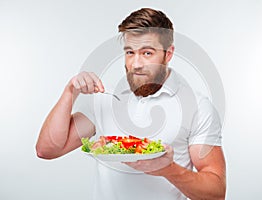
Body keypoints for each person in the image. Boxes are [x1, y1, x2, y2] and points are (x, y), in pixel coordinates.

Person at [36, 8, 226, 200]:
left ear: (168, 54)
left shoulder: (197, 107)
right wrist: (70, 92)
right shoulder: (105, 99)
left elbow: (216, 194)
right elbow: (47, 150)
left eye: (147, 53)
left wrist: (169, 169)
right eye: (130, 52)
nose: (136, 64)